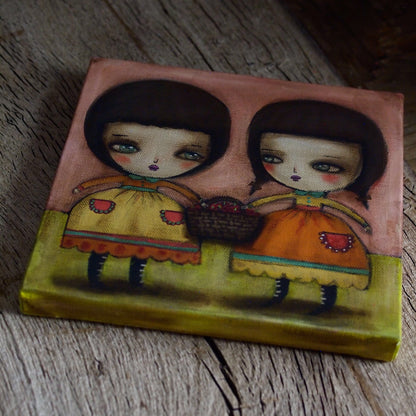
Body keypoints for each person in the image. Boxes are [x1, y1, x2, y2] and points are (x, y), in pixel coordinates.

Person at [61, 80, 231, 288]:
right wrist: (83, 187)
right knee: (103, 241)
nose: (154, 162)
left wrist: (195, 199)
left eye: (187, 154)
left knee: (145, 247)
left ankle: (137, 277)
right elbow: (109, 181)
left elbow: (178, 190)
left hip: (154, 210)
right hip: (118, 204)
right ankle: (95, 273)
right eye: (127, 146)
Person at [231, 100, 387, 314]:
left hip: (322, 227)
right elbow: (269, 201)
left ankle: (326, 302)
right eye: (273, 158)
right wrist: (253, 205)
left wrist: (362, 222)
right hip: (286, 223)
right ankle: (279, 295)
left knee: (327, 264)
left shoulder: (325, 200)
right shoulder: (290, 197)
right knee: (281, 259)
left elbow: (341, 209)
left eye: (324, 166)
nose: (295, 173)